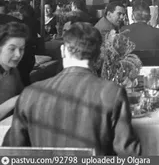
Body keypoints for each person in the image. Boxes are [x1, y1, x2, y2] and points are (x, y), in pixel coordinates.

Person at [3, 22, 141, 156]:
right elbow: (128, 154)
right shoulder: (112, 93)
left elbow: (12, 152)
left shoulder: (30, 93)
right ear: (99, 57)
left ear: (63, 50)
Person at [0, 22, 29, 120]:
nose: (18, 55)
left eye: (22, 49)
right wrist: (15, 100)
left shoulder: (13, 71)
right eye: (12, 49)